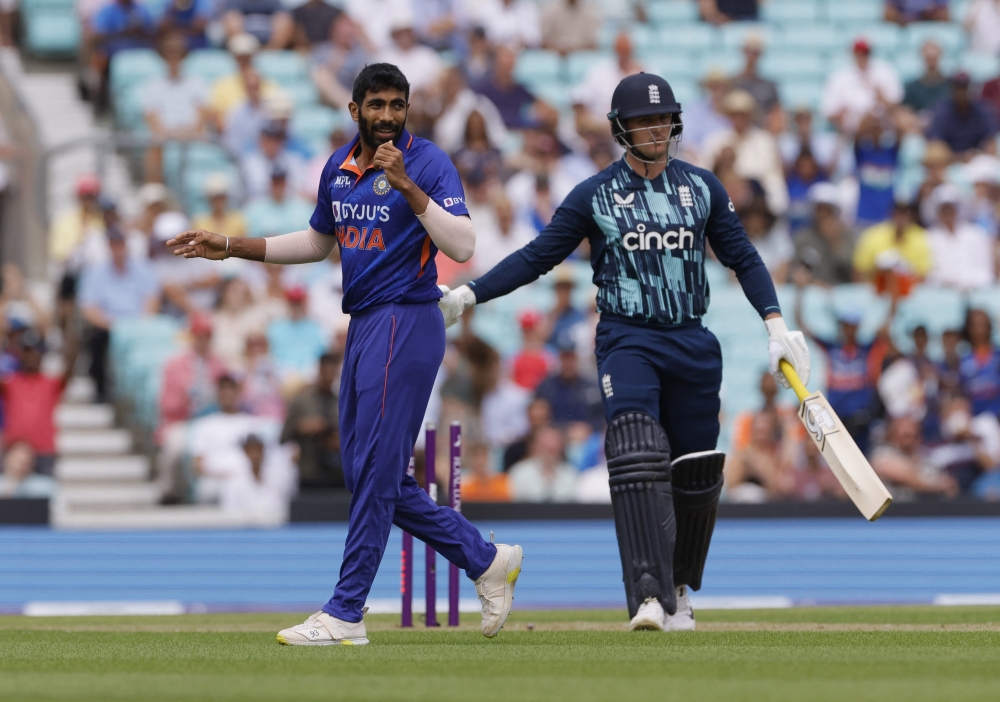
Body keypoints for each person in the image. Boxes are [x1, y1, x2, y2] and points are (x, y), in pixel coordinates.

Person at [438, 72, 810, 632]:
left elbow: (746, 259)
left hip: (692, 338)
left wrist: (777, 324)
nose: (656, 130)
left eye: (663, 119)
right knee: (637, 453)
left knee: (695, 474)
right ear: (620, 129)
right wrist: (470, 293)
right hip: (627, 338)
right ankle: (646, 595)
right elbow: (539, 255)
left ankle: (680, 589)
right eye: (643, 121)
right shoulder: (594, 194)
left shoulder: (702, 187)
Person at [168, 63, 522, 644]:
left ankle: (346, 611)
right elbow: (315, 242)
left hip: (407, 319)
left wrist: (407, 184)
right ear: (353, 109)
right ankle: (484, 559)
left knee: (377, 471)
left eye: (397, 105)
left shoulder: (426, 161)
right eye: (376, 105)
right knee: (367, 472)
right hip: (363, 324)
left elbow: (462, 242)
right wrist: (230, 246)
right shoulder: (338, 166)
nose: (388, 116)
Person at [77, 229, 160, 401]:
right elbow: (89, 307)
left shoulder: (143, 269)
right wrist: (113, 325)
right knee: (96, 340)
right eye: (114, 245)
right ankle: (101, 390)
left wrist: (138, 324)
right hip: (108, 325)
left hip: (138, 325)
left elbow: (152, 300)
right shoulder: (96, 272)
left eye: (120, 244)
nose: (118, 249)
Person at [0, 329, 76, 477]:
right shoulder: (11, 382)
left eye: (35, 352)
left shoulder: (51, 382)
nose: (31, 356)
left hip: (44, 451)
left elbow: (70, 367)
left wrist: (70, 337)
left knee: (44, 491)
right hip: (14, 450)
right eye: (27, 352)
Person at [702, 89, 788, 216]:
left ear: (750, 115)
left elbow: (773, 178)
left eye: (743, 114)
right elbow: (704, 174)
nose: (739, 119)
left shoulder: (765, 141)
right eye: (734, 114)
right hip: (724, 203)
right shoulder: (715, 141)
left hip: (759, 203)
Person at [142, 30, 210, 182]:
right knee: (154, 151)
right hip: (167, 140)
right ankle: (157, 197)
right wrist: (174, 135)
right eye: (169, 53)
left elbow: (201, 119)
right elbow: (153, 122)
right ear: (163, 56)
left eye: (177, 52)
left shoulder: (197, 84)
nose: (174, 57)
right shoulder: (153, 86)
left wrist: (185, 134)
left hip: (192, 138)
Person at [281, 352, 343, 490]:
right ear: (319, 371)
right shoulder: (301, 401)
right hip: (310, 472)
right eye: (325, 372)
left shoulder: (343, 402)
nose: (328, 377)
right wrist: (301, 428)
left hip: (339, 473)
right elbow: (283, 437)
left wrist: (339, 441)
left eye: (332, 373)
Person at [821, 38, 902, 134]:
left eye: (865, 54)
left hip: (883, 123)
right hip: (851, 128)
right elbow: (828, 112)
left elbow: (896, 103)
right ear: (853, 54)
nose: (862, 57)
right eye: (858, 54)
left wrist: (880, 97)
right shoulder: (839, 78)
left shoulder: (884, 72)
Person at [925, 184, 995, 290]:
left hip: (976, 290)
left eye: (951, 208)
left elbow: (986, 270)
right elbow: (930, 272)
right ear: (937, 211)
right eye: (944, 209)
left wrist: (969, 283)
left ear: (957, 209)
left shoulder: (975, 234)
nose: (948, 212)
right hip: (942, 293)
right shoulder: (929, 237)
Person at [871, 416, 958, 499]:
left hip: (921, 510)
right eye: (906, 436)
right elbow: (905, 477)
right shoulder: (882, 454)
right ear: (892, 436)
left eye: (915, 436)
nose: (910, 441)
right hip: (892, 510)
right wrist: (936, 487)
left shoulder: (924, 457)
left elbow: (948, 484)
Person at [791, 183, 856, 287]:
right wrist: (811, 281)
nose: (822, 214)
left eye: (827, 210)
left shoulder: (848, 236)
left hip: (842, 292)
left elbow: (851, 271)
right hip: (813, 292)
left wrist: (835, 241)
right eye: (819, 209)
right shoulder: (803, 237)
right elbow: (794, 270)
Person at [926, 72, 999, 158]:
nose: (962, 92)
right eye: (958, 88)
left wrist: (976, 155)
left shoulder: (982, 109)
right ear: (952, 89)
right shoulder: (942, 111)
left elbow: (991, 143)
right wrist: (961, 157)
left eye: (965, 88)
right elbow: (936, 146)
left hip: (977, 160)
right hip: (950, 163)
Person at [508, 426, 577, 502]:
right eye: (545, 445)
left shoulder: (570, 473)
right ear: (535, 446)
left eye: (553, 447)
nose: (550, 446)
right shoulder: (520, 471)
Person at [959, 309, 1000, 418]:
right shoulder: (962, 361)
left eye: (983, 324)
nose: (980, 330)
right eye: (976, 325)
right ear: (969, 328)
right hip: (973, 420)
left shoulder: (997, 356)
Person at [731, 33, 779, 120]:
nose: (751, 56)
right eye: (749, 51)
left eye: (755, 53)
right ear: (743, 51)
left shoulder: (769, 87)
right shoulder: (731, 83)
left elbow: (776, 115)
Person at [902, 41, 950, 118]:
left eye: (933, 58)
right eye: (928, 58)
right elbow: (904, 112)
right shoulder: (912, 88)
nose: (931, 61)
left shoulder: (952, 86)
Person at [192, 174, 247, 240]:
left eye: (221, 198)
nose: (218, 202)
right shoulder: (199, 222)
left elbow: (243, 246)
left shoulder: (238, 220)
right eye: (215, 198)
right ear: (209, 200)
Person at [885, 0, 949, 24]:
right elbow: (888, 15)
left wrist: (924, 16)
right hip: (904, 29)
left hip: (931, 28)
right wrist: (914, 18)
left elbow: (945, 16)